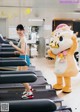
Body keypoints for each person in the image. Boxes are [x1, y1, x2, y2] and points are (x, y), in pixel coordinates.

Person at [9, 24, 34, 99]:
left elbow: (23, 51)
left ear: (23, 30)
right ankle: (28, 88)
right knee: (20, 76)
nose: (19, 31)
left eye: (21, 30)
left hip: (24, 59)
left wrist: (13, 45)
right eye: (18, 30)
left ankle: (29, 92)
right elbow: (24, 50)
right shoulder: (22, 38)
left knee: (22, 78)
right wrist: (17, 52)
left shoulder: (23, 39)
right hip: (22, 58)